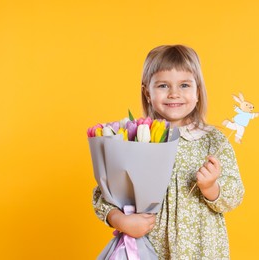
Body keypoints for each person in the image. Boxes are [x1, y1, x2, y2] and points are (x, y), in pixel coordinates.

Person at [92, 44, 245, 259]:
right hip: (149, 246)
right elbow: (104, 194)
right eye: (163, 85)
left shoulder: (212, 140)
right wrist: (121, 221)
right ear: (147, 92)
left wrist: (211, 187)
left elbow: (234, 194)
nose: (174, 94)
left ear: (198, 92)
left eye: (184, 85)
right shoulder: (136, 137)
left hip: (200, 249)